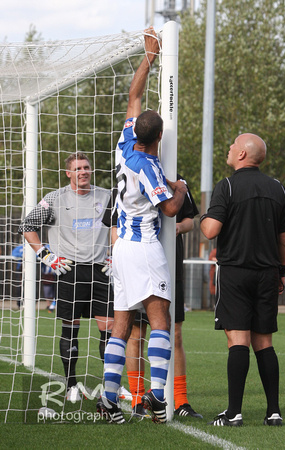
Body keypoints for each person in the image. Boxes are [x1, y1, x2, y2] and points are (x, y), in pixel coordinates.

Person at [97, 27, 188, 425]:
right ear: (159, 138)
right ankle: (155, 395)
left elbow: (135, 96)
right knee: (159, 320)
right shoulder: (149, 166)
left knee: (120, 326)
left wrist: (148, 57)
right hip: (144, 243)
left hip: (120, 248)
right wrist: (181, 187)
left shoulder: (123, 142)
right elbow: (169, 209)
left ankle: (108, 399)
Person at [200, 133, 285, 427]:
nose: (228, 149)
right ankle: (274, 411)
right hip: (268, 274)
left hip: (236, 273)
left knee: (237, 340)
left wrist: (203, 217)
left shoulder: (226, 186)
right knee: (264, 342)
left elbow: (211, 230)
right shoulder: (277, 188)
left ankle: (234, 412)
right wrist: (280, 271)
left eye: (232, 146)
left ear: (242, 154)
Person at [18, 152, 115, 402]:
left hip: (100, 270)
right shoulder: (54, 199)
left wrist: (116, 256)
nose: (83, 172)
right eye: (78, 168)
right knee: (71, 329)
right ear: (68, 173)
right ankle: (71, 385)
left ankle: (110, 386)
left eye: (86, 167)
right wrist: (45, 255)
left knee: (109, 329)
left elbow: (119, 227)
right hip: (69, 271)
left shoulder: (106, 197)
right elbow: (27, 227)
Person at [124, 175, 202, 419]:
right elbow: (114, 225)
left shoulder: (178, 183)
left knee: (174, 333)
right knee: (136, 334)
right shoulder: (128, 176)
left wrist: (176, 228)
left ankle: (181, 402)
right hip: (138, 265)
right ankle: (138, 400)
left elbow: (190, 221)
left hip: (170, 267)